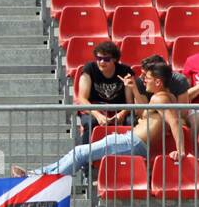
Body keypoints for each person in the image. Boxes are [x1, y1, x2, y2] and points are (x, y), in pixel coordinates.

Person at [13, 62, 188, 177]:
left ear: (158, 82)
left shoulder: (160, 98)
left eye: (146, 78)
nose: (143, 80)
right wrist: (134, 89)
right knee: (79, 153)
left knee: (79, 153)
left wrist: (180, 151)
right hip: (133, 141)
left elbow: (174, 122)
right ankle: (37, 175)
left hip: (133, 142)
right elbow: (143, 114)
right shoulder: (168, 97)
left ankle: (36, 178)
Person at [71, 41, 138, 144]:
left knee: (131, 122)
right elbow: (82, 98)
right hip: (94, 109)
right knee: (91, 122)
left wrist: (122, 114)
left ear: (114, 59)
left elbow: (129, 102)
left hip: (118, 110)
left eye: (106, 59)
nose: (102, 62)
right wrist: (98, 115)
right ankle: (86, 156)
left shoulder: (125, 71)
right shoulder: (90, 69)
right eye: (99, 58)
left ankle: (128, 156)